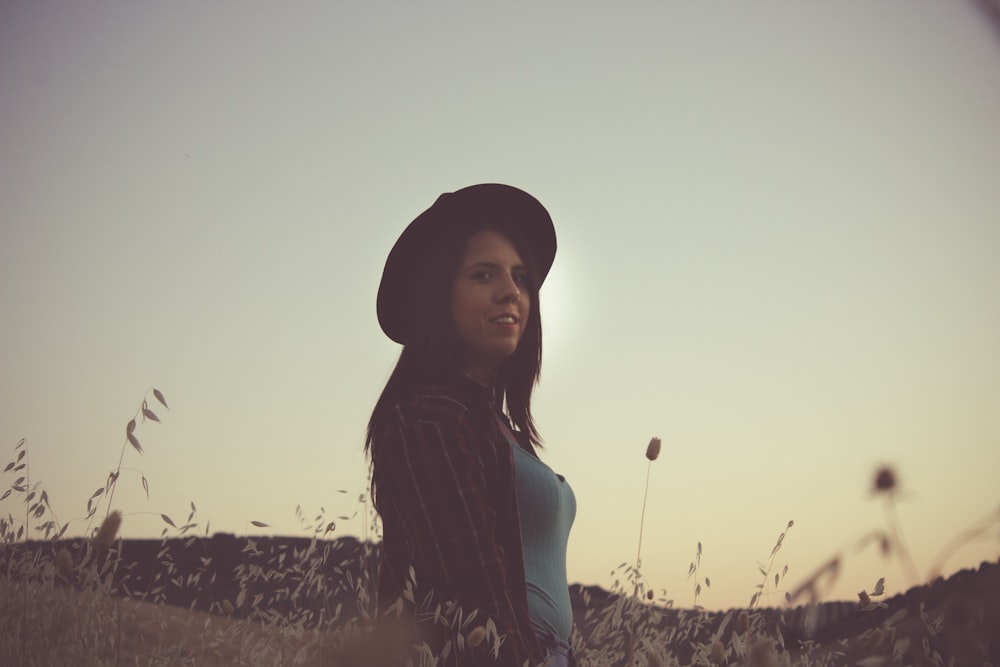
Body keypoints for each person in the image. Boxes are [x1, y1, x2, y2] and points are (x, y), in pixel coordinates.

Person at [366, 183, 577, 666]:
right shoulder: (432, 417)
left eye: (521, 277)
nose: (512, 292)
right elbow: (470, 590)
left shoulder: (496, 425)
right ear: (440, 295)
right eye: (484, 275)